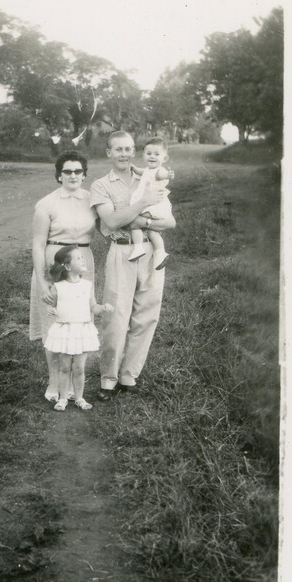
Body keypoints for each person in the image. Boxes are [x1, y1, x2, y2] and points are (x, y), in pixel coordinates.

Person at [89, 131, 176, 400]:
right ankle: (108, 379)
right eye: (118, 149)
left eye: (128, 149)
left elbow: (170, 222)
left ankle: (129, 375)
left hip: (150, 250)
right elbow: (112, 222)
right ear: (109, 153)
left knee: (147, 314)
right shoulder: (101, 186)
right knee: (116, 317)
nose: (124, 154)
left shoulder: (149, 175)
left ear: (134, 152)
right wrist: (143, 203)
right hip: (122, 251)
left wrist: (142, 222)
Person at [29, 151, 97, 403]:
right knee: (55, 324)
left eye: (78, 171)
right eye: (67, 171)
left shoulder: (92, 200)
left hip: (82, 262)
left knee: (78, 320)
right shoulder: (46, 204)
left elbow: (109, 225)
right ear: (59, 175)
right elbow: (38, 245)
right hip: (54, 262)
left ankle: (73, 382)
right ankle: (54, 382)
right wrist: (42, 280)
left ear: (84, 174)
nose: (73, 175)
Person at [44, 246, 113, 411]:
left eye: (82, 257)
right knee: (64, 367)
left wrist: (103, 308)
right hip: (66, 331)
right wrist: (50, 309)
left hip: (82, 331)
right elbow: (51, 305)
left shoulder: (87, 285)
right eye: (79, 258)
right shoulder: (58, 286)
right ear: (68, 266)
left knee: (79, 368)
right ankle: (62, 398)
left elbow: (93, 307)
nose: (83, 260)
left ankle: (79, 397)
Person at [127, 137, 174, 270]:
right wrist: (135, 169)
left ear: (164, 158)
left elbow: (161, 175)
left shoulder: (159, 171)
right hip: (151, 204)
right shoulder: (148, 170)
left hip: (154, 205)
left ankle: (138, 248)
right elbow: (143, 172)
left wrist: (168, 175)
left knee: (134, 221)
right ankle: (160, 252)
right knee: (152, 231)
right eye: (149, 154)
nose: (152, 157)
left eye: (157, 154)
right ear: (144, 155)